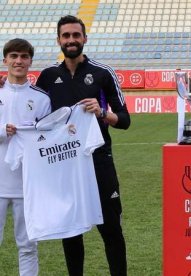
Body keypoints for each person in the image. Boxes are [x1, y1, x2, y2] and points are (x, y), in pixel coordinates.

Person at [35, 15, 131, 275]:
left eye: (76, 35)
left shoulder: (102, 73)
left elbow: (124, 120)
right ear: (58, 41)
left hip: (99, 161)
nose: (71, 40)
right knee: (71, 231)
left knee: (111, 229)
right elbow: (31, 114)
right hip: (64, 164)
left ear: (85, 38)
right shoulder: (47, 77)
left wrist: (102, 113)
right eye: (66, 36)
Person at [0, 38, 51, 276]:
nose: (18, 61)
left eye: (23, 57)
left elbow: (47, 140)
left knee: (28, 246)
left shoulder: (42, 98)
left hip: (27, 186)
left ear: (30, 61)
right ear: (5, 60)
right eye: (13, 56)